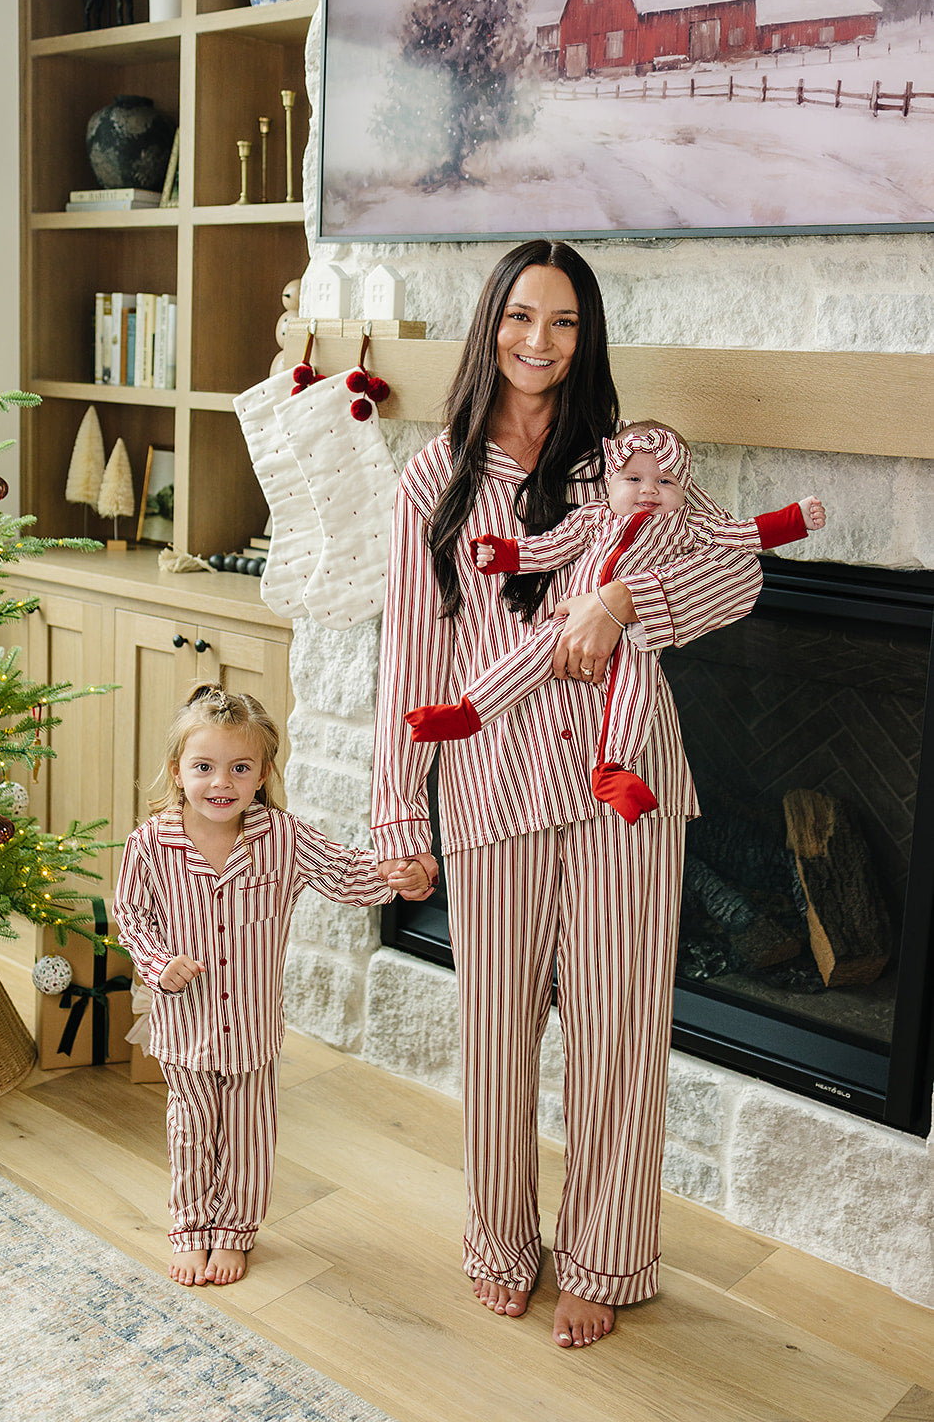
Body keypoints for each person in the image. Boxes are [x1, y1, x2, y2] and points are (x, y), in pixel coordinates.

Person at [371, 239, 765, 1349]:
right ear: (489, 324)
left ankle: (603, 1257)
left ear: (585, 339)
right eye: (519, 316)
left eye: (562, 322)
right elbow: (410, 658)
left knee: (618, 1031)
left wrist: (619, 603)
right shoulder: (433, 479)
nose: (536, 341)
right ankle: (500, 1241)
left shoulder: (626, 463)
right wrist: (399, 810)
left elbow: (737, 568)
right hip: (495, 788)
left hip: (621, 785)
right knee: (494, 1033)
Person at [114, 685, 434, 1289]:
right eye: (203, 767)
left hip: (253, 1028)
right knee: (190, 1129)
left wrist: (397, 874)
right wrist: (158, 964)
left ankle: (235, 1230)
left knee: (248, 1133)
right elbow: (131, 916)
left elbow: (345, 874)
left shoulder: (283, 837)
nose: (221, 783)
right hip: (184, 1026)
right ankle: (190, 1227)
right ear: (177, 771)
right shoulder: (150, 842)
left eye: (240, 768)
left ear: (262, 774)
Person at [405, 422, 826, 822]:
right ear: (610, 481)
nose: (649, 490)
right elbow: (551, 547)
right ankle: (470, 712)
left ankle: (612, 768)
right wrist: (505, 555)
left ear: (684, 488)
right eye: (634, 479)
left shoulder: (687, 525)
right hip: (568, 622)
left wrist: (796, 519)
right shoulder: (594, 517)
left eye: (666, 481)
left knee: (635, 693)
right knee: (525, 657)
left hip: (637, 636)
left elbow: (741, 538)